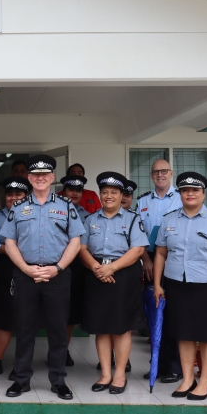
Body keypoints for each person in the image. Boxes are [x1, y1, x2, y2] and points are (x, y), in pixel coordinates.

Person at [2, 154, 85, 401]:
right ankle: (21, 379)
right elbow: (9, 242)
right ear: (29, 178)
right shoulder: (18, 208)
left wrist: (57, 268)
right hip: (26, 275)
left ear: (51, 178)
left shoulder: (66, 206)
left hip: (56, 276)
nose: (39, 179)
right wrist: (26, 269)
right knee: (25, 329)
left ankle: (58, 380)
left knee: (58, 330)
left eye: (44, 175)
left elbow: (76, 241)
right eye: (35, 175)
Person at [154, 172, 207, 400]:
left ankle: (206, 381)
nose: (189, 194)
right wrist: (157, 284)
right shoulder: (169, 219)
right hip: (176, 284)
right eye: (184, 190)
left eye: (195, 190)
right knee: (183, 333)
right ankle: (188, 378)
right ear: (179, 193)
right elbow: (161, 253)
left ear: (203, 193)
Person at [79, 172, 148, 394]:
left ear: (121, 195)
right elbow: (82, 249)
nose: (109, 196)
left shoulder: (133, 219)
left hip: (123, 274)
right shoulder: (90, 220)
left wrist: (112, 267)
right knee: (101, 327)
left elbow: (137, 250)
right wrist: (98, 268)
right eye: (105, 192)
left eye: (114, 192)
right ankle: (105, 374)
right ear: (100, 195)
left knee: (121, 327)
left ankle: (119, 375)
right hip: (95, 273)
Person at [137, 159, 183, 383]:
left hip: (175, 260)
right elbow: (138, 235)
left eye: (164, 171)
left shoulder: (182, 197)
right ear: (151, 174)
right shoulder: (143, 202)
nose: (160, 175)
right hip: (150, 260)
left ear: (171, 173)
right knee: (154, 313)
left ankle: (174, 367)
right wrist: (145, 258)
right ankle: (158, 365)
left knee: (173, 313)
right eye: (156, 172)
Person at [0, 176, 31, 380]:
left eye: (18, 194)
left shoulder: (35, 215)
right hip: (2, 270)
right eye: (9, 194)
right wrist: (11, 248)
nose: (13, 198)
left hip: (29, 270)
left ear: (26, 196)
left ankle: (20, 364)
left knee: (25, 319)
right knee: (2, 318)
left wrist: (7, 247)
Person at [59, 175, 90, 367]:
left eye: (78, 191)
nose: (74, 193)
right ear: (64, 191)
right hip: (53, 263)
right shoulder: (54, 210)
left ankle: (62, 350)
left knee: (69, 313)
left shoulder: (87, 216)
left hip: (77, 266)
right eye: (71, 189)